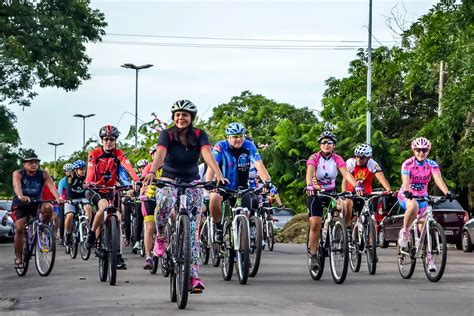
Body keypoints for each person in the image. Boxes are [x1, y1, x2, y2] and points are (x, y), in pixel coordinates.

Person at [143, 99, 226, 293]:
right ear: (173, 117)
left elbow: (207, 154)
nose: (181, 118)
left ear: (191, 118)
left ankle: (194, 276)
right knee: (163, 205)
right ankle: (161, 236)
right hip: (170, 179)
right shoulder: (167, 134)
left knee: (192, 232)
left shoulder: (199, 135)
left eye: (185, 115)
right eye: (178, 115)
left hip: (192, 181)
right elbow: (160, 155)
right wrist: (153, 172)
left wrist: (218, 174)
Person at [206, 122, 272, 243]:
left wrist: (267, 182)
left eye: (241, 136)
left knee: (246, 217)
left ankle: (241, 251)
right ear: (228, 137)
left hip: (242, 187)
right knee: (214, 199)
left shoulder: (249, 146)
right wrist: (210, 183)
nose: (239, 139)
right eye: (235, 136)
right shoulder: (220, 146)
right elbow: (211, 167)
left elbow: (259, 165)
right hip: (223, 186)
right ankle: (218, 227)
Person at [84, 125, 140, 270]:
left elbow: (128, 167)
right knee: (102, 207)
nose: (109, 142)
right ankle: (91, 235)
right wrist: (88, 182)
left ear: (115, 140)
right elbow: (90, 170)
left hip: (111, 189)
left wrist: (136, 180)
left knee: (118, 218)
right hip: (95, 189)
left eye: (112, 139)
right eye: (106, 139)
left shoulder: (118, 153)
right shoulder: (94, 153)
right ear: (102, 140)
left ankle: (118, 256)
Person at [305, 131, 361, 271]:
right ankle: (313, 255)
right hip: (315, 192)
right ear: (320, 145)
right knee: (315, 224)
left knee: (340, 207)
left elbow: (346, 173)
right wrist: (309, 185)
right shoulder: (315, 157)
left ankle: (335, 230)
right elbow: (310, 171)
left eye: (329, 142)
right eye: (324, 142)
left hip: (330, 192)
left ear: (333, 145)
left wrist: (356, 185)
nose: (326, 145)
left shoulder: (337, 158)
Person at [397, 137, 452, 272]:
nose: (421, 153)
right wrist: (406, 191)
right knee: (413, 206)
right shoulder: (407, 164)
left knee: (424, 228)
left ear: (428, 151)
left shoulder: (432, 164)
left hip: (423, 196)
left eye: (424, 150)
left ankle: (429, 258)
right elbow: (405, 180)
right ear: (414, 150)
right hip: (407, 194)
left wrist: (447, 192)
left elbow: (438, 179)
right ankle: (405, 231)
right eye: (418, 150)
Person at [12, 151, 61, 268]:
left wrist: (58, 198)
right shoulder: (18, 173)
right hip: (21, 204)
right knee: (19, 228)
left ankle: (41, 230)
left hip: (36, 203)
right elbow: (16, 186)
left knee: (49, 207)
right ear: (24, 164)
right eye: (30, 162)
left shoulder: (43, 174)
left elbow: (51, 186)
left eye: (36, 162)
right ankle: (18, 256)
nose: (33, 164)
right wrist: (20, 196)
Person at [341, 143, 392, 229]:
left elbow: (381, 177)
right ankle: (347, 226)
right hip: (351, 192)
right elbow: (345, 178)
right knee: (348, 204)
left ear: (368, 158)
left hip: (365, 193)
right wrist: (344, 192)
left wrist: (389, 190)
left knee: (367, 214)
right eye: (356, 156)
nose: (358, 159)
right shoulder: (351, 162)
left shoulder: (372, 164)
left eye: (361, 158)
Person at [139, 145, 162, 269]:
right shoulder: (149, 167)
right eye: (154, 153)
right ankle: (148, 257)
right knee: (151, 227)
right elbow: (143, 181)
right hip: (149, 199)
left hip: (164, 200)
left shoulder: (168, 167)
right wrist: (142, 192)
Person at [64, 160, 93, 247]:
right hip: (71, 199)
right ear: (76, 170)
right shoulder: (70, 178)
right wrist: (68, 199)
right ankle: (68, 235)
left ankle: (86, 227)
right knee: (70, 216)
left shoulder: (86, 178)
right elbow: (68, 189)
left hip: (82, 198)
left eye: (84, 169)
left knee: (88, 207)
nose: (83, 171)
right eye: (81, 169)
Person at [57, 163, 73, 244]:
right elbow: (59, 192)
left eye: (71, 170)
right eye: (67, 171)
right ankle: (61, 237)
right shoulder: (62, 181)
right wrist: (61, 199)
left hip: (73, 200)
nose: (69, 172)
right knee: (62, 218)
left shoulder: (75, 179)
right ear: (65, 172)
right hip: (63, 201)